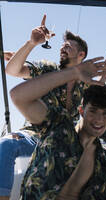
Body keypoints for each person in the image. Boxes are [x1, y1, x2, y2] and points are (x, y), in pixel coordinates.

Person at [9, 55, 106, 199]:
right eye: (93, 111)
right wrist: (74, 72)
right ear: (81, 110)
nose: (99, 120)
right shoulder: (57, 125)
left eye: (105, 114)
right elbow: (18, 96)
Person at [0, 15, 88, 199]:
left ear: (81, 55)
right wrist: (31, 43)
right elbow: (12, 70)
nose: (63, 48)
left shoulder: (85, 86)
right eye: (62, 46)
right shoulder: (47, 69)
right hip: (35, 135)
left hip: (64, 141)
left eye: (68, 47)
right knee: (7, 143)